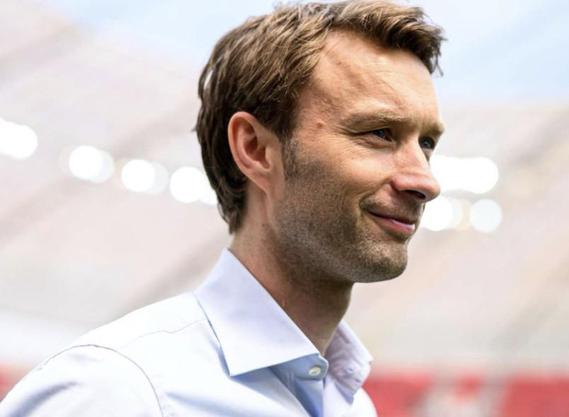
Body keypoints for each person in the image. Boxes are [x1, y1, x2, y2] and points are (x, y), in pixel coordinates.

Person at [0, 1, 445, 416]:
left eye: (426, 143)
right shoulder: (118, 391)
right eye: (379, 133)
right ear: (255, 149)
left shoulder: (351, 404)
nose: (425, 181)